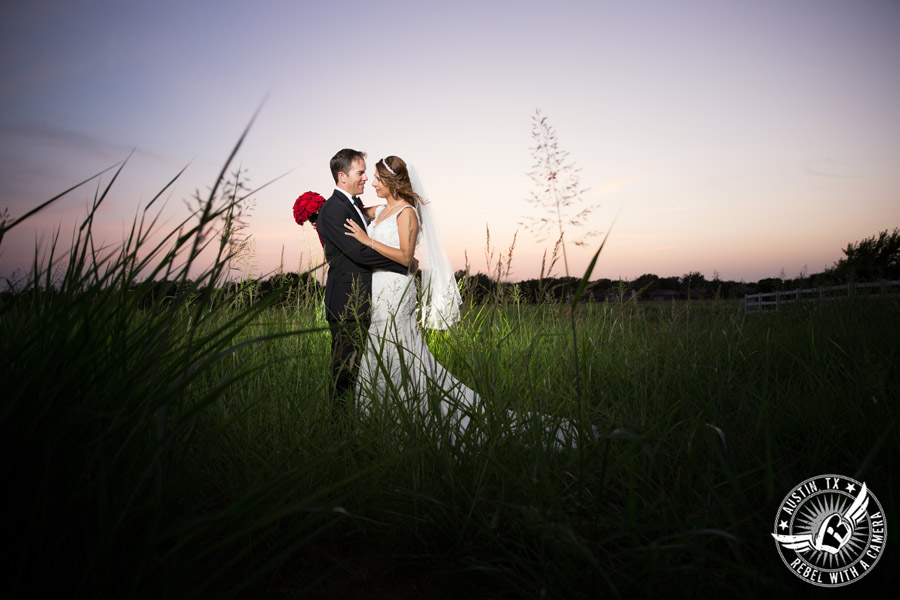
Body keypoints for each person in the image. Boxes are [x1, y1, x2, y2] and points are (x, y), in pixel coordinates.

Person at [344, 155, 578, 447]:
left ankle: (408, 419)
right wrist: (317, 211)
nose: (373, 183)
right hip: (376, 291)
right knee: (377, 348)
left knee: (398, 346)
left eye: (378, 178)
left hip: (397, 292)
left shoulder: (407, 213)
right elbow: (349, 210)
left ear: (392, 181)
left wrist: (368, 242)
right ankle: (379, 419)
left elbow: (405, 257)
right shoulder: (378, 210)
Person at [315, 149, 410, 410]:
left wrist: (386, 208)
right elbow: (357, 252)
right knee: (344, 371)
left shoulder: (353, 205)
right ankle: (339, 428)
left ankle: (355, 419)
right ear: (342, 176)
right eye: (360, 173)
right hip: (346, 302)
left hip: (362, 300)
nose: (366, 178)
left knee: (357, 369)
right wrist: (402, 263)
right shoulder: (333, 209)